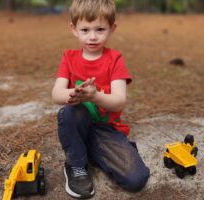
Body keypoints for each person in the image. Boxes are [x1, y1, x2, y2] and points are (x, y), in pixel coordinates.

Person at [51, 0, 150, 198]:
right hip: (79, 122)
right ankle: (76, 165)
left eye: (100, 29)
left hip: (106, 129)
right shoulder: (69, 57)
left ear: (112, 28)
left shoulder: (115, 59)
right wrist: (76, 94)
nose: (93, 36)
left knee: (136, 179)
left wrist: (95, 96)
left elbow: (119, 101)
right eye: (85, 29)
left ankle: (93, 151)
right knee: (70, 112)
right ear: (74, 29)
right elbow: (56, 94)